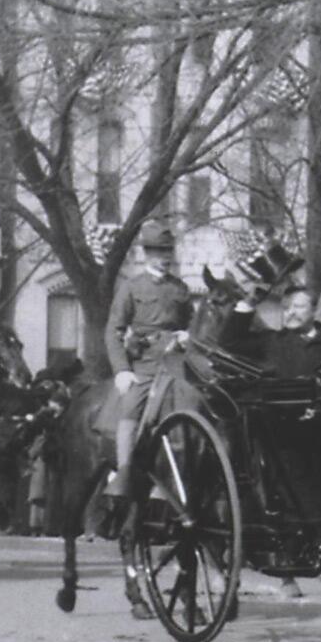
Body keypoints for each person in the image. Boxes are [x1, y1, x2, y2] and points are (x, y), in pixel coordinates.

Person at [102, 221, 193, 519]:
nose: (165, 257)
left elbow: (191, 324)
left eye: (168, 251)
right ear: (146, 254)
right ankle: (124, 473)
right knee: (132, 406)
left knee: (187, 410)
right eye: (158, 252)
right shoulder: (131, 287)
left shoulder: (180, 289)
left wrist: (187, 335)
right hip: (145, 362)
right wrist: (121, 370)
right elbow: (113, 331)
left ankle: (170, 479)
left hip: (175, 362)